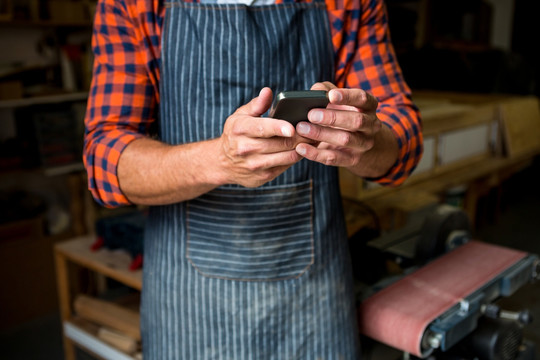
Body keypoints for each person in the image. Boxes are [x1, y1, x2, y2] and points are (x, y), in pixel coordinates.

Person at [83, 0, 423, 358]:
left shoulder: (347, 4)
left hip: (313, 296)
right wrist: (220, 161)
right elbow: (105, 162)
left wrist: (365, 138)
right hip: (188, 302)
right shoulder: (135, 5)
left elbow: (404, 149)